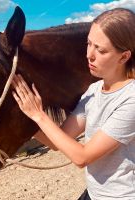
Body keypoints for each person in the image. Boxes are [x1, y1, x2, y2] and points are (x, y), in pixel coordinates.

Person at [12, 8, 135, 200]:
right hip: (95, 193)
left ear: (124, 56)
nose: (89, 55)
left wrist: (38, 115)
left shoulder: (131, 99)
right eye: (89, 44)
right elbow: (56, 141)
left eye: (100, 50)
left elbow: (82, 157)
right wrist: (22, 114)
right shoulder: (94, 91)